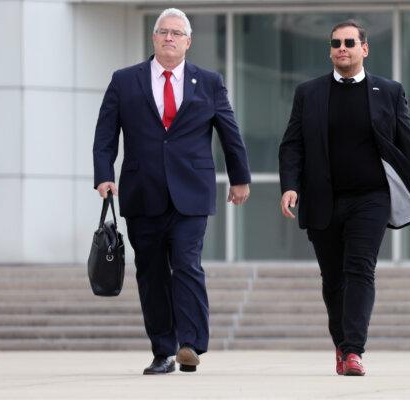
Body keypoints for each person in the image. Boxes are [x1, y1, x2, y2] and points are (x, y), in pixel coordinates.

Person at [93, 8, 251, 374]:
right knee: (150, 272)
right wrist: (103, 174)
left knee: (186, 263)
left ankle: (190, 344)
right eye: (163, 32)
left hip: (191, 193)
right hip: (142, 192)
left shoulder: (208, 82)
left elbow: (229, 131)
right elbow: (105, 134)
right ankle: (162, 350)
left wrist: (239, 177)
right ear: (153, 38)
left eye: (177, 33)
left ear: (188, 42)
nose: (169, 38)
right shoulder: (124, 80)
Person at [278, 20, 410, 376]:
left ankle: (354, 351)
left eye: (350, 42)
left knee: (360, 269)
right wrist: (290, 185)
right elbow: (292, 144)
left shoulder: (389, 91)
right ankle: (341, 343)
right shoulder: (309, 93)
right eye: (336, 43)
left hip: (371, 198)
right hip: (323, 199)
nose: (342, 48)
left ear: (364, 48)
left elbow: (408, 147)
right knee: (332, 278)